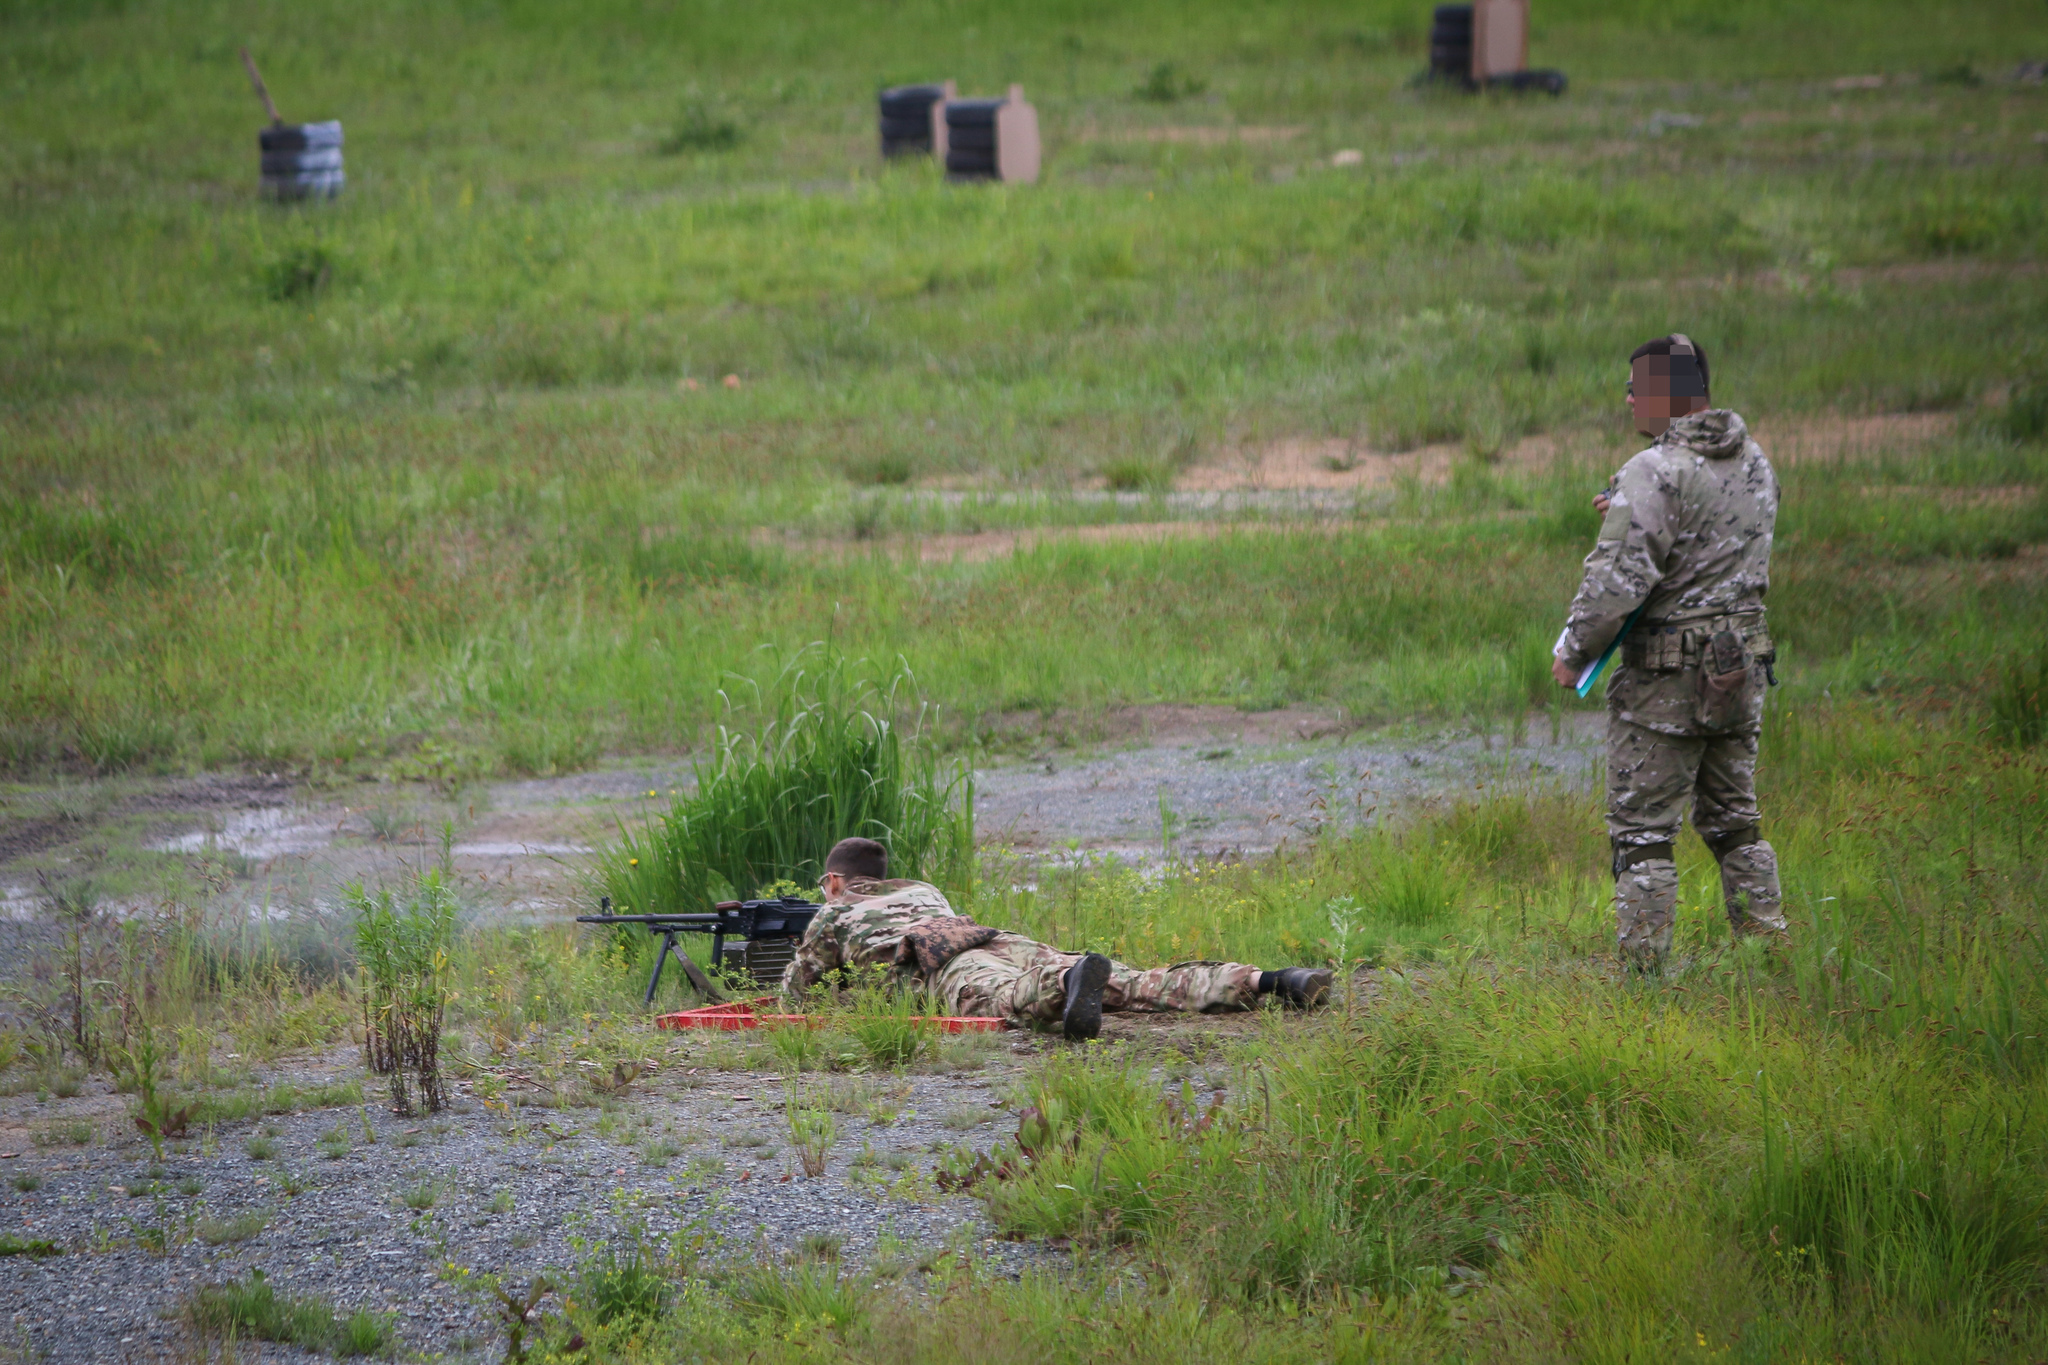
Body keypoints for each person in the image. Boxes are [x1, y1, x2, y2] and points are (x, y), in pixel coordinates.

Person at [1550, 334, 1788, 972]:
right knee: (1736, 819)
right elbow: (1716, 547)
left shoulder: (1652, 471)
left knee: (1643, 835)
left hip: (1668, 676)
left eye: (1638, 388)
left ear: (1672, 395)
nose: (1629, 399)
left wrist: (1574, 650)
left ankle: (1643, 981)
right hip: (1743, 666)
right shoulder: (1755, 460)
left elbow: (1620, 579)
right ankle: (1768, 956)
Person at [784, 837, 1333, 1038]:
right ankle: (1268, 980)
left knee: (1001, 1001)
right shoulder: (923, 889)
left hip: (941, 963)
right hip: (996, 939)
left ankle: (1066, 981)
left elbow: (795, 993)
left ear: (833, 881)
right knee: (1133, 981)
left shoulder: (835, 913)